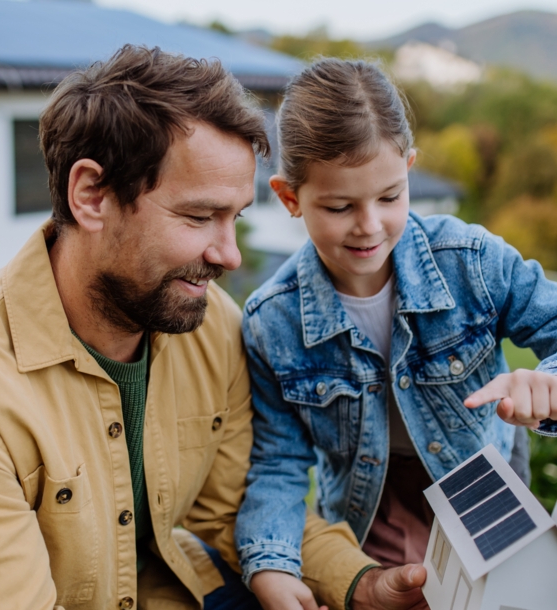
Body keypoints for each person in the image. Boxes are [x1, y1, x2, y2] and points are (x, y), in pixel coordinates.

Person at [0, 45, 429, 610]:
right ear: (91, 196)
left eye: (235, 218)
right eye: (200, 217)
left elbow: (234, 507)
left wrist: (360, 583)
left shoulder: (213, 326)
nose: (228, 255)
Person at [235, 57, 557, 610]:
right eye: (339, 207)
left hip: (486, 496)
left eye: (390, 196)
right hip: (370, 514)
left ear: (408, 168)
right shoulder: (272, 321)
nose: (369, 224)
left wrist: (548, 381)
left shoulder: (471, 261)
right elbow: (278, 461)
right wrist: (271, 561)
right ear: (289, 198)